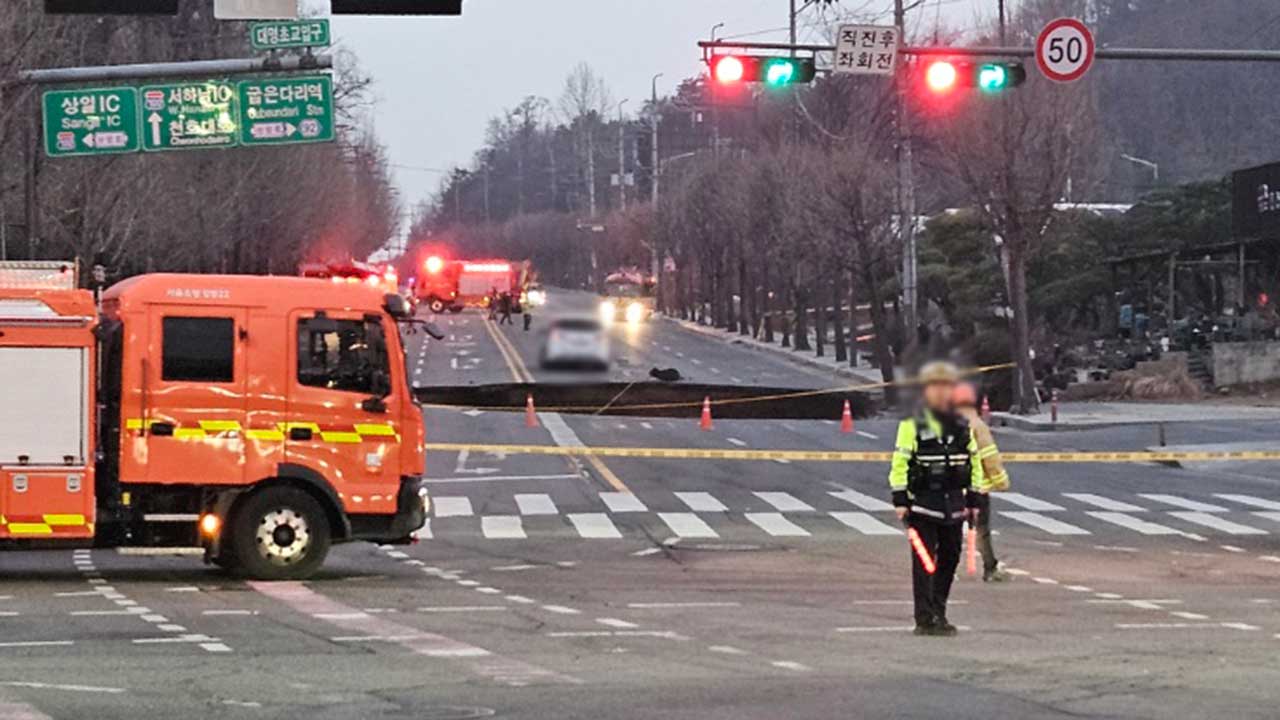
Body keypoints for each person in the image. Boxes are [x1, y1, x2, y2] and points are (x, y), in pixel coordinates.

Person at [888, 360, 982, 637]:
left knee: (950, 558)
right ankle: (924, 617)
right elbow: (900, 461)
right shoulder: (913, 423)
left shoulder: (961, 423)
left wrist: (974, 499)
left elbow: (974, 461)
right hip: (923, 503)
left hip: (954, 503)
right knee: (924, 562)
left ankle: (939, 609)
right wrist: (900, 499)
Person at [953, 382, 1011, 582]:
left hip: (949, 488)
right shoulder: (977, 425)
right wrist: (1001, 481)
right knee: (981, 531)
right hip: (976, 488)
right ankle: (990, 568)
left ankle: (943, 569)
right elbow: (990, 457)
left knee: (948, 530)